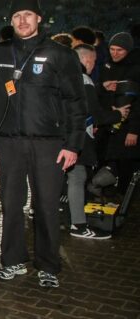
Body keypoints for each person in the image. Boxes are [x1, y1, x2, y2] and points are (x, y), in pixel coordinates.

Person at [0, 0, 87, 289]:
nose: (22, 21)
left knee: (45, 205)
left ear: (39, 18)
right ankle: (12, 260)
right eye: (17, 16)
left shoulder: (61, 54)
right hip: (9, 142)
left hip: (49, 143)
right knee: (10, 204)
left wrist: (73, 144)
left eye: (27, 15)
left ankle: (48, 265)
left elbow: (76, 102)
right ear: (11, 20)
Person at [70, 44, 122, 239]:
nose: (93, 66)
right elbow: (96, 114)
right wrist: (118, 114)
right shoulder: (84, 80)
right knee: (77, 177)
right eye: (93, 61)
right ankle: (79, 225)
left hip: (58, 137)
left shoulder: (63, 77)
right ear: (87, 60)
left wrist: (100, 87)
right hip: (78, 138)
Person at [99, 32, 140, 196]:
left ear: (128, 51)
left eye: (119, 50)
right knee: (105, 156)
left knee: (125, 162)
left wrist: (134, 130)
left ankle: (124, 196)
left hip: (127, 124)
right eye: (112, 49)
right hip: (108, 121)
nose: (115, 53)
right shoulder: (107, 66)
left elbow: (138, 103)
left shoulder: (136, 70)